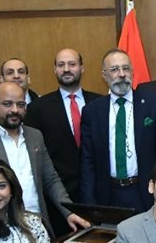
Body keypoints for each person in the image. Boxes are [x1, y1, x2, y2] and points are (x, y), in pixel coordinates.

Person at [0, 82, 89, 233]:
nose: (15, 110)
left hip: (38, 225)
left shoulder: (35, 136)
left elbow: (51, 179)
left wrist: (69, 212)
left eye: (20, 105)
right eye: (7, 104)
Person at [79, 49, 156, 210]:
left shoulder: (153, 104)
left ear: (132, 72)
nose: (122, 74)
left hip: (145, 192)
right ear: (104, 75)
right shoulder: (92, 111)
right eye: (114, 69)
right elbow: (87, 161)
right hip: (107, 194)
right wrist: (88, 202)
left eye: (126, 68)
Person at [24, 48, 101, 204]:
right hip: (57, 195)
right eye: (61, 65)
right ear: (55, 69)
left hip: (98, 190)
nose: (66, 69)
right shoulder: (37, 108)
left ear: (82, 68)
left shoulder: (100, 103)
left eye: (72, 64)